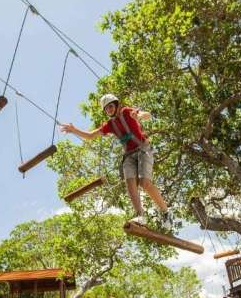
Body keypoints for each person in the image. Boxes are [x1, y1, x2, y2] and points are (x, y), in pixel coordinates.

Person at [60, 93, 173, 229]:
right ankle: (140, 215)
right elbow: (90, 136)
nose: (109, 110)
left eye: (111, 106)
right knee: (130, 183)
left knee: (144, 183)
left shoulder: (126, 112)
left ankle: (166, 212)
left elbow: (146, 115)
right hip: (128, 155)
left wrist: (139, 115)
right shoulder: (110, 124)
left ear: (117, 104)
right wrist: (74, 130)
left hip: (143, 149)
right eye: (106, 109)